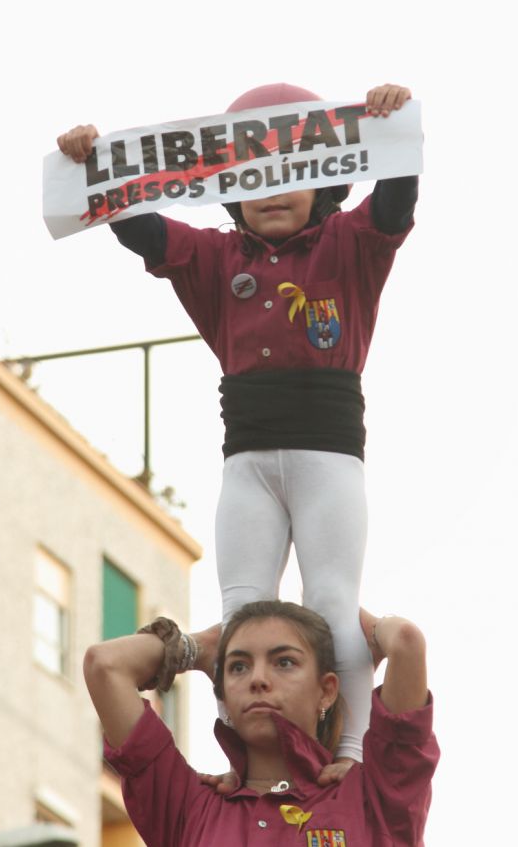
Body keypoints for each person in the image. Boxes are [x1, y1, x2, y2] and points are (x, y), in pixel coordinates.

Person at [57, 83, 419, 775]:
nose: (274, 188)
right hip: (246, 461)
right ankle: (244, 760)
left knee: (333, 598)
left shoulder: (350, 245)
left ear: (326, 180)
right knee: (244, 610)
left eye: (293, 171)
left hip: (328, 457)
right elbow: (143, 227)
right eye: (258, 175)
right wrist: (95, 162)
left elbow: (396, 201)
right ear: (230, 186)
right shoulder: (217, 261)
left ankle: (349, 750)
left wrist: (389, 129)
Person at [83, 601, 438, 846]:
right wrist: (196, 649)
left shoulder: (375, 797)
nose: (258, 679)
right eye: (239, 666)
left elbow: (406, 643)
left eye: (284, 662)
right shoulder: (188, 808)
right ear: (224, 692)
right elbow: (105, 665)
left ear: (327, 690)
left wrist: (345, 611)